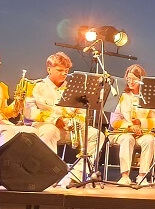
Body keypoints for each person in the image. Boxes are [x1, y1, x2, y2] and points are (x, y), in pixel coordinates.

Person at [23, 52, 101, 187]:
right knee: (50, 130)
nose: (64, 73)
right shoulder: (36, 86)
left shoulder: (73, 88)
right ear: (49, 69)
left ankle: (76, 175)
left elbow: (82, 111)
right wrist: (54, 120)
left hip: (68, 128)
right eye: (60, 70)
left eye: (67, 70)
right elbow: (30, 111)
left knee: (96, 134)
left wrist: (76, 122)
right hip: (44, 126)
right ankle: (49, 174)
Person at [109, 65, 155, 186]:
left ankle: (142, 176)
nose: (130, 82)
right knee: (127, 139)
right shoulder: (121, 95)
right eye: (128, 79)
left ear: (141, 80)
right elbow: (114, 121)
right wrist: (130, 126)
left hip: (142, 133)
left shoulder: (147, 96)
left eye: (134, 79)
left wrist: (140, 123)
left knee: (150, 140)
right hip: (122, 133)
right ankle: (125, 176)